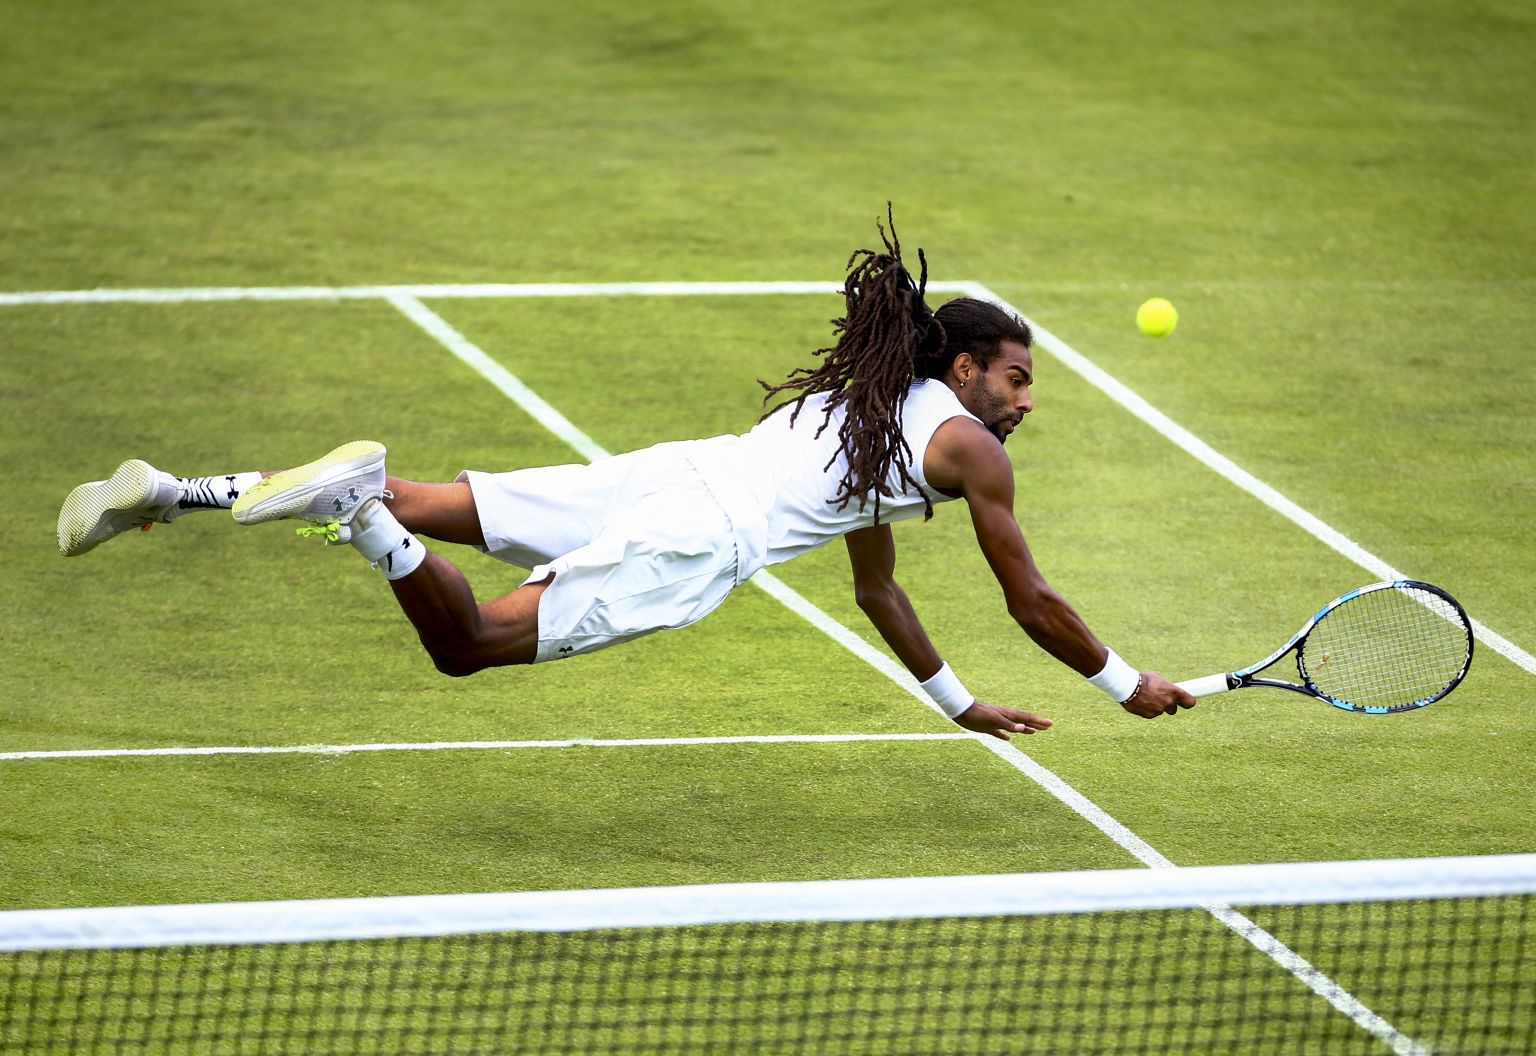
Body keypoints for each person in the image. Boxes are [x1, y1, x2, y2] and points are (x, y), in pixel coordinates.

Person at [57, 214, 1195, 739]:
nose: (1024, 402)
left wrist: (958, 706)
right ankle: (362, 520)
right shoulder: (969, 450)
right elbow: (1029, 598)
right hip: (695, 545)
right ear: (964, 367)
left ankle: (169, 489)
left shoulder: (868, 409)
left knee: (427, 498)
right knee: (467, 644)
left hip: (669, 475)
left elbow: (877, 589)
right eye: (1016, 378)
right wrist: (1124, 682)